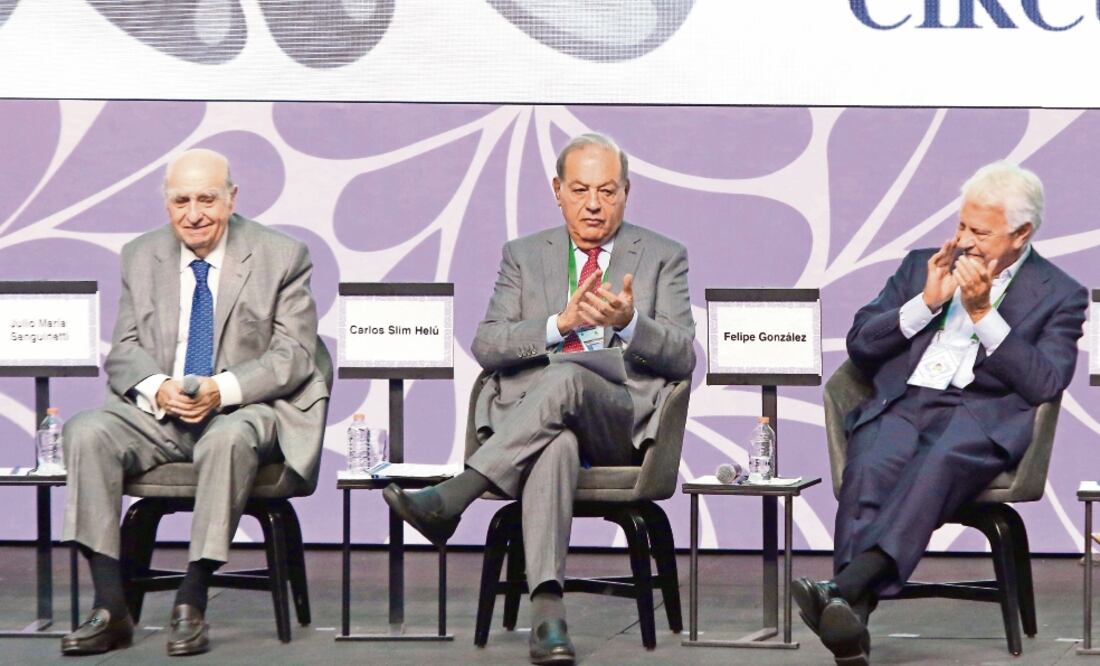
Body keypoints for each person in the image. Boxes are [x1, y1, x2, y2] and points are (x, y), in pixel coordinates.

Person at [383, 133, 695, 665]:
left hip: (620, 421)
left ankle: (458, 494)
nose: (593, 204)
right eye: (580, 190)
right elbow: (488, 343)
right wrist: (560, 324)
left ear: (627, 191)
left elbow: (684, 355)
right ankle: (549, 614)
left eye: (607, 190)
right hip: (542, 428)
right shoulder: (524, 256)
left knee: (568, 380)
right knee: (557, 442)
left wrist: (631, 323)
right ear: (557, 190)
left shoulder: (663, 255)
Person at [794, 162, 1087, 665]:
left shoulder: (1060, 293)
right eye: (961, 226)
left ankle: (845, 589)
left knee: (938, 463)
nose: (965, 242)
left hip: (982, 416)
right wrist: (927, 303)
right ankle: (848, 616)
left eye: (980, 232)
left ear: (1021, 234)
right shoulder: (920, 266)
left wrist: (981, 314)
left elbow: (1045, 381)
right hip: (907, 402)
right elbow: (861, 347)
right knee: (870, 463)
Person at [60, 149, 330, 656]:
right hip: (160, 413)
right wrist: (158, 385)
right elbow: (124, 350)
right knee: (85, 430)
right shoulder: (141, 255)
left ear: (232, 198)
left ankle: (193, 596)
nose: (194, 213)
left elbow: (293, 356)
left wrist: (220, 389)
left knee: (227, 439)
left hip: (246, 411)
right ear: (167, 204)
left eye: (207, 199)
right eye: (181, 200)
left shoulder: (282, 255)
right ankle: (110, 605)